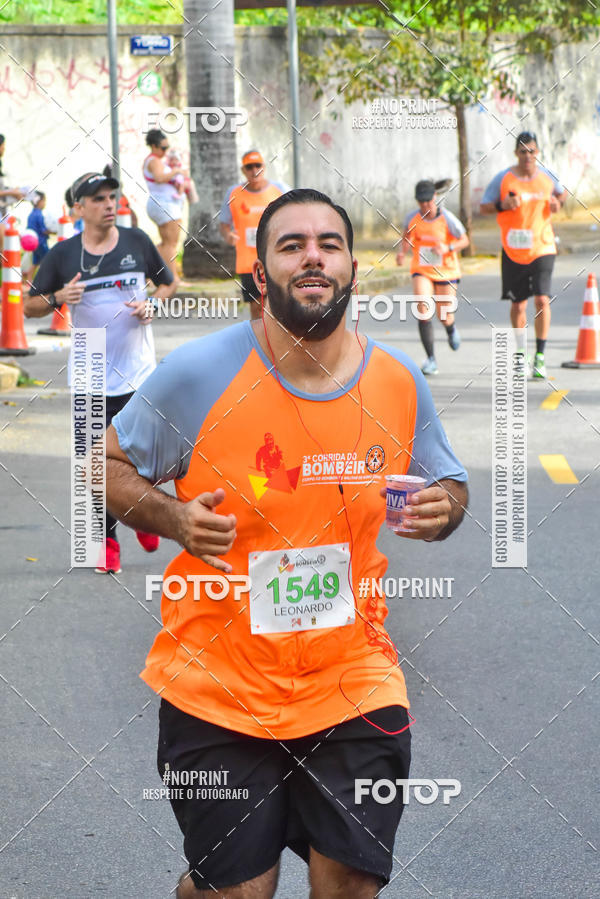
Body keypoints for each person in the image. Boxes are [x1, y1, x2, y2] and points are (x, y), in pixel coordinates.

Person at [104, 188, 469, 898]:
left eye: (329, 244)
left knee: (351, 882)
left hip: (352, 674)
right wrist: (173, 518)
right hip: (218, 681)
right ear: (261, 272)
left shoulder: (397, 383)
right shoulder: (199, 374)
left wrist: (443, 508)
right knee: (239, 891)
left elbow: (449, 483)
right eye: (291, 245)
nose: (313, 257)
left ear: (353, 267)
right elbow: (103, 467)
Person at [24, 171, 177, 574]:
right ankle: (106, 541)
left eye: (112, 197)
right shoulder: (63, 255)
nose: (109, 204)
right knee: (95, 464)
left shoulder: (137, 241)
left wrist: (154, 304)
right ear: (79, 209)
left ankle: (142, 515)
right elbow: (29, 306)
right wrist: (59, 296)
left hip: (137, 372)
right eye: (98, 199)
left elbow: (168, 284)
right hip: (89, 372)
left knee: (143, 457)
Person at [480, 131, 567, 378]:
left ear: (537, 153)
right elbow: (484, 207)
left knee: (542, 300)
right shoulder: (503, 179)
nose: (528, 156)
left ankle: (540, 356)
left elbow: (562, 193)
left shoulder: (547, 176)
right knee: (518, 305)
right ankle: (521, 352)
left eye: (532, 151)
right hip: (513, 249)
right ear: (516, 153)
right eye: (523, 152)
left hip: (543, 246)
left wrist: (558, 203)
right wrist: (502, 205)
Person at [396, 179, 469, 375]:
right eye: (421, 202)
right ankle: (431, 359)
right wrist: (402, 253)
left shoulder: (448, 219)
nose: (425, 205)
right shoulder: (412, 218)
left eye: (428, 201)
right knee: (423, 310)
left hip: (446, 271)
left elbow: (464, 240)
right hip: (422, 269)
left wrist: (448, 247)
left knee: (444, 315)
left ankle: (450, 329)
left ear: (435, 197)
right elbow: (406, 236)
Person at [219, 149, 289, 320]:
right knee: (257, 307)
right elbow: (223, 224)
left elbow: (294, 216)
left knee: (278, 304)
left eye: (258, 165)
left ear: (264, 167)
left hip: (277, 257)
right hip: (248, 262)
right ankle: (259, 337)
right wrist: (228, 236)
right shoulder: (233, 193)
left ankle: (279, 336)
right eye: (249, 167)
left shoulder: (280, 190)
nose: (254, 170)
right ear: (243, 170)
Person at [143, 129, 186, 274]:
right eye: (163, 148)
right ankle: (173, 278)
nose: (165, 151)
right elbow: (159, 178)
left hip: (164, 204)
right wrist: (176, 171)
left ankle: (148, 271)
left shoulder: (156, 161)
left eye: (167, 147)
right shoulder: (154, 161)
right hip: (164, 204)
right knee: (170, 244)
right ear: (153, 146)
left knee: (166, 244)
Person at [0, 134, 26, 252]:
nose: (4, 149)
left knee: (5, 247)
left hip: (3, 211)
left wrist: (14, 193)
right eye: (2, 146)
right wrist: (12, 192)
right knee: (3, 247)